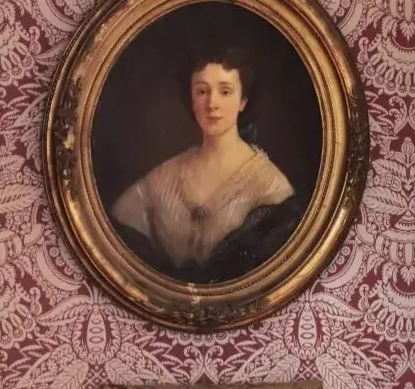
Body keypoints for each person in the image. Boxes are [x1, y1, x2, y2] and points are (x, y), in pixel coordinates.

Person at [109, 45, 304, 284]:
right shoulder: (164, 176)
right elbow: (118, 238)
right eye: (202, 91)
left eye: (225, 91)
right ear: (191, 99)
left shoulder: (270, 187)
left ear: (243, 100)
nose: (212, 103)